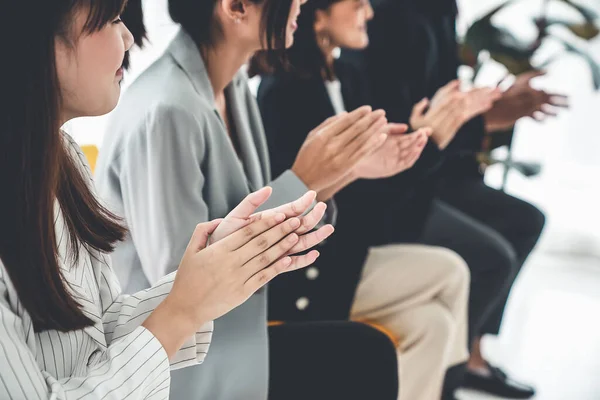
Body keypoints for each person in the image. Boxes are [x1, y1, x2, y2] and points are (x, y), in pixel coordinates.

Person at [0, 0, 329, 398]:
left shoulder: (61, 154)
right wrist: (180, 310)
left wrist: (215, 262)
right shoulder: (165, 109)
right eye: (111, 20)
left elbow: (96, 331)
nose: (128, 38)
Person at [95, 0, 404, 398]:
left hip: (238, 351)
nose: (303, 3)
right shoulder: (167, 111)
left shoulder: (232, 86)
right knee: (366, 358)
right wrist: (305, 178)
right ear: (236, 7)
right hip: (183, 375)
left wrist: (341, 171)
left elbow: (249, 213)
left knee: (368, 355)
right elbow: (182, 283)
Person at [251, 1, 490, 399]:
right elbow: (349, 202)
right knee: (451, 271)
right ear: (318, 15)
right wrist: (429, 143)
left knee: (434, 324)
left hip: (343, 251)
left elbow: (369, 187)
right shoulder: (286, 90)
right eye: (358, 3)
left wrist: (420, 137)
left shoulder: (344, 76)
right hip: (308, 271)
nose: (370, 12)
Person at [361, 0, 564, 397]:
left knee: (524, 221)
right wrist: (488, 118)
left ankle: (470, 353)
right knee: (491, 257)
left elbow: (443, 99)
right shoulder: (387, 14)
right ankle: (445, 381)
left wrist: (489, 111)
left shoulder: (441, 8)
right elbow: (400, 115)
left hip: (437, 167)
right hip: (399, 174)